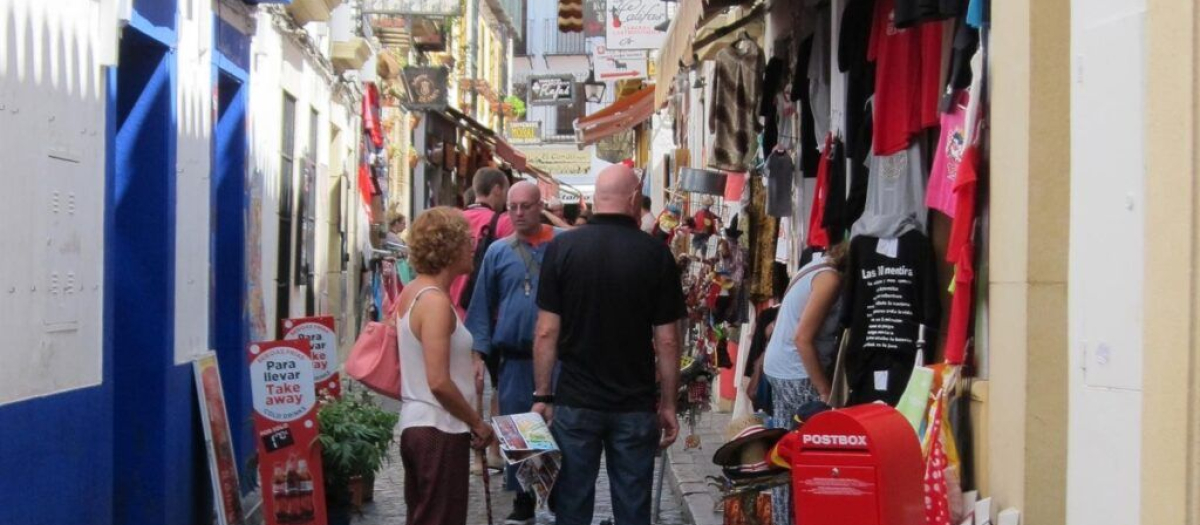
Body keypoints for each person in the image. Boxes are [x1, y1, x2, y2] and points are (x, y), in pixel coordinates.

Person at [532, 163, 686, 525]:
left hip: (575, 401)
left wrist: (542, 396)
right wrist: (667, 403)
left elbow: (545, 332)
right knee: (633, 507)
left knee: (572, 503)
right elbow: (667, 339)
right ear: (634, 198)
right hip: (633, 403)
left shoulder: (562, 249)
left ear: (596, 199)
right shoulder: (655, 255)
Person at [465, 181, 562, 525]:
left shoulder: (563, 245)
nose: (519, 214)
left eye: (526, 206)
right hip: (516, 360)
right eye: (512, 207)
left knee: (559, 431)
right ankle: (524, 501)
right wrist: (478, 354)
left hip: (562, 359)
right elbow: (481, 307)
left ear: (540, 206)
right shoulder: (497, 252)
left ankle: (559, 501)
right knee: (520, 433)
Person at [394, 207, 496, 525]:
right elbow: (438, 381)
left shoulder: (415, 293)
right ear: (448, 247)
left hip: (421, 424)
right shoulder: (434, 301)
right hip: (438, 427)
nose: (473, 246)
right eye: (467, 240)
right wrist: (477, 423)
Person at [759, 243, 846, 525]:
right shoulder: (830, 279)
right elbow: (802, 338)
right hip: (798, 373)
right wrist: (823, 388)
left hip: (779, 368)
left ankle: (785, 520)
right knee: (816, 457)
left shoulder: (813, 266)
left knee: (787, 455)